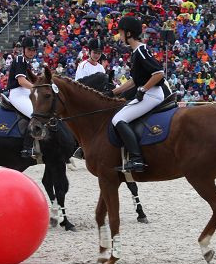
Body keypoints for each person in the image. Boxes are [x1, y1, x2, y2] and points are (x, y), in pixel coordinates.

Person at [111, 16, 173, 172]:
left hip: (152, 95)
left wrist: (143, 89)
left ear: (129, 34)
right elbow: (134, 81)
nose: (120, 36)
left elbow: (159, 73)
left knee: (118, 119)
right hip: (148, 93)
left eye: (121, 32)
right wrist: (113, 92)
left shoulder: (141, 50)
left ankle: (137, 159)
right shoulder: (135, 52)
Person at [72, 38, 107, 159]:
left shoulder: (101, 68)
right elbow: (80, 86)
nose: (97, 55)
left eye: (99, 53)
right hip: (84, 99)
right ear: (89, 51)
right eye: (95, 52)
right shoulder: (83, 66)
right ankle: (80, 146)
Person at [7, 36, 39, 158]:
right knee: (36, 115)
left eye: (34, 50)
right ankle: (27, 148)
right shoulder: (20, 59)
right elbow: (21, 81)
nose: (32, 52)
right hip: (17, 93)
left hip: (26, 93)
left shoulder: (27, 63)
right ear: (24, 49)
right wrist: (36, 88)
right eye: (30, 49)